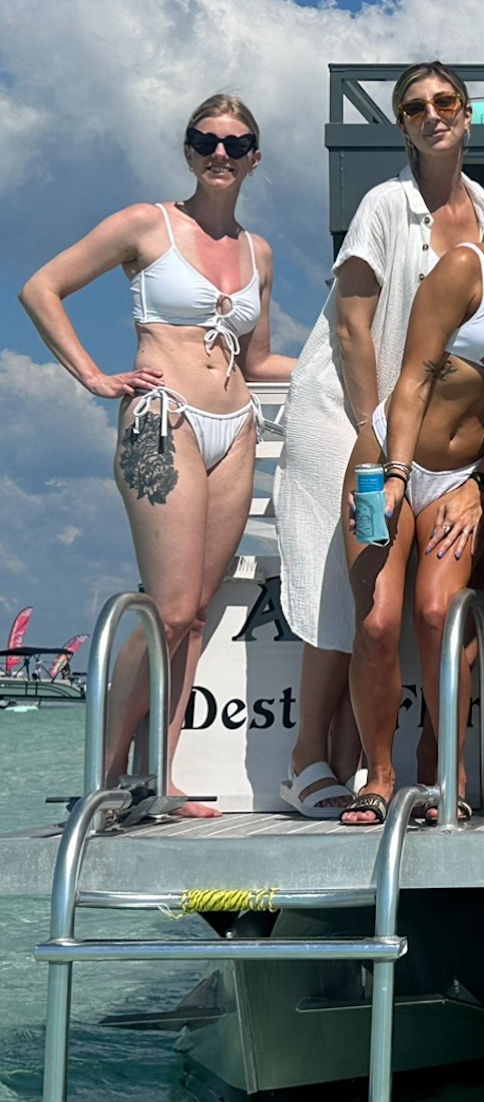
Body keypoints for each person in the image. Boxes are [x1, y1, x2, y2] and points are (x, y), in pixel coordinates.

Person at [21, 94, 295, 815]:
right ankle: (106, 778)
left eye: (236, 144)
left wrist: (357, 366)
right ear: (188, 148)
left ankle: (161, 779)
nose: (220, 154)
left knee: (197, 614)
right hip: (161, 417)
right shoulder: (148, 224)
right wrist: (92, 374)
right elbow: (41, 288)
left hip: (236, 426)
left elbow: (259, 360)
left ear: (255, 158)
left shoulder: (257, 252)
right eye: (206, 140)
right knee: (169, 609)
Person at [275, 62, 484, 818]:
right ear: (402, 125)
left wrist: (471, 470)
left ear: (467, 114)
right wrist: (375, 431)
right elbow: (351, 323)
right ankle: (322, 762)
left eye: (445, 101)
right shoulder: (384, 203)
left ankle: (397, 768)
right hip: (353, 415)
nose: (432, 114)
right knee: (351, 603)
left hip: (431, 442)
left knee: (407, 609)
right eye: (415, 107)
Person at [338, 142, 484, 826]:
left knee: (439, 616)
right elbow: (411, 376)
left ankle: (445, 768)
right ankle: (378, 773)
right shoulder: (467, 266)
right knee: (378, 623)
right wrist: (398, 476)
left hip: (464, 476)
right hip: (390, 457)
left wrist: (481, 480)